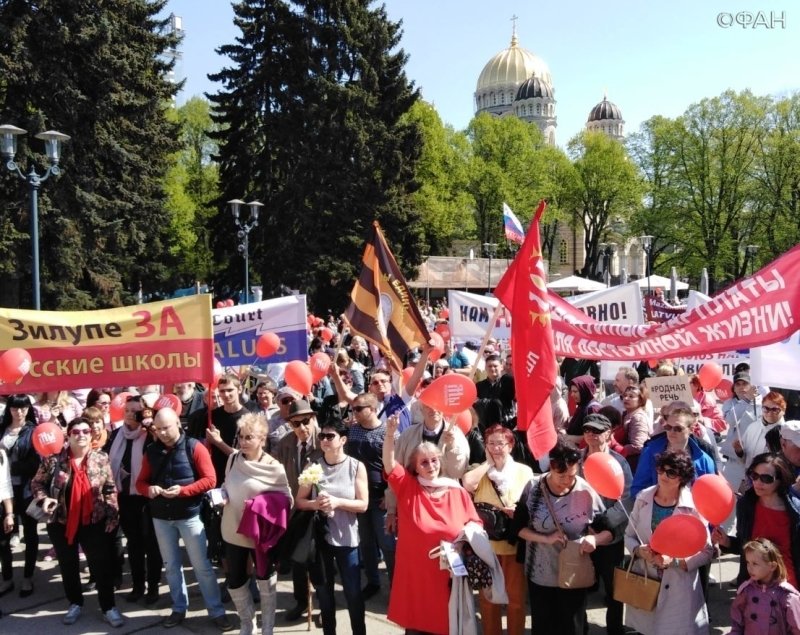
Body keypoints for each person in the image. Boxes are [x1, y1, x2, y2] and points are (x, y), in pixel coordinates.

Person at [382, 412, 481, 635]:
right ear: (415, 467)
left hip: (447, 575)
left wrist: (460, 543)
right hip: (416, 576)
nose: (430, 465)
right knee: (416, 627)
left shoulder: (457, 491)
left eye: (434, 460)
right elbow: (389, 463)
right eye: (424, 462)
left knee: (446, 625)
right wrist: (389, 434)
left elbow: (475, 525)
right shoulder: (408, 487)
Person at [135, 408, 232, 631]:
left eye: (166, 427)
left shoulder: (194, 446)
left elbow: (210, 479)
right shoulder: (151, 451)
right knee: (171, 566)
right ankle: (179, 608)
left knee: (202, 567)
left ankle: (216, 611)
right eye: (158, 429)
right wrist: (149, 490)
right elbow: (140, 483)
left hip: (189, 515)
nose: (162, 433)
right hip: (161, 517)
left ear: (178, 423)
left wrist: (184, 490)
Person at [30, 417, 123, 627]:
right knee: (68, 564)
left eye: (85, 431)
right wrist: (44, 499)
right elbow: (37, 483)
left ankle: (108, 606)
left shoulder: (101, 458)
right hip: (61, 521)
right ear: (68, 435)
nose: (81, 435)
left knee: (101, 566)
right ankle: (75, 603)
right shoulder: (53, 460)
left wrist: (113, 514)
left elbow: (109, 488)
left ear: (92, 434)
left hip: (94, 521)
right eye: (76, 432)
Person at [514, 440, 612, 635]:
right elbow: (517, 528)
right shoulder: (534, 488)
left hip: (575, 573)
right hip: (540, 574)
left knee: (572, 627)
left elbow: (608, 532)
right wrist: (546, 538)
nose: (567, 481)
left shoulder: (585, 490)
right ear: (551, 467)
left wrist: (595, 540)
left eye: (572, 475)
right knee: (543, 627)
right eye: (562, 475)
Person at [624, 449, 714, 634]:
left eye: (671, 472)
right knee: (647, 629)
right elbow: (628, 536)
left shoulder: (693, 506)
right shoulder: (643, 498)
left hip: (679, 587)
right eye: (660, 469)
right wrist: (639, 551)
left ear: (682, 477)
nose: (663, 475)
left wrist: (675, 561)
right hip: (646, 581)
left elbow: (707, 551)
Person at [221, 412, 292, 635]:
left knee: (264, 578)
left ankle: (268, 626)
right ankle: (246, 623)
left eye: (249, 437)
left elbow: (286, 498)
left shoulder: (274, 467)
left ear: (262, 439)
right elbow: (226, 484)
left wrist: (261, 505)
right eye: (241, 436)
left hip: (260, 534)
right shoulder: (233, 459)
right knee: (235, 579)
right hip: (233, 529)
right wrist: (222, 494)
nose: (243, 442)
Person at [296, 417, 368, 635]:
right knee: (324, 595)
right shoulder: (313, 466)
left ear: (343, 439)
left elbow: (363, 504)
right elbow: (299, 501)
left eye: (330, 436)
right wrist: (315, 504)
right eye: (322, 436)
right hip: (321, 540)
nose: (325, 440)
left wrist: (338, 502)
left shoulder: (356, 466)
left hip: (347, 538)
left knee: (353, 594)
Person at [462, 425, 533, 635]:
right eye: (490, 443)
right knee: (488, 599)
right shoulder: (481, 469)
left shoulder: (524, 471)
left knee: (516, 599)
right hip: (486, 546)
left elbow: (532, 503)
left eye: (500, 443)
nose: (495, 448)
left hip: (513, 543)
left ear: (510, 445)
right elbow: (467, 483)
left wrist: (517, 512)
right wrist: (488, 463)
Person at [712, 453, 800, 588]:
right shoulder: (746, 505)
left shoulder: (795, 510)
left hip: (789, 588)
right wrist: (727, 542)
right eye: (754, 476)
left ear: (780, 480)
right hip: (755, 590)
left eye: (766, 478)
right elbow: (745, 547)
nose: (758, 482)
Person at [579, 414, 632, 635]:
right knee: (579, 588)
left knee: (614, 591)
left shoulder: (619, 463)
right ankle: (580, 629)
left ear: (609, 434)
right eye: (588, 430)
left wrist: (607, 524)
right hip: (580, 534)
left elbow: (627, 499)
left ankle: (615, 629)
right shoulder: (576, 460)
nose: (592, 435)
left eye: (597, 431)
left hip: (611, 537)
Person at [108, 395, 162, 605]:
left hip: (147, 497)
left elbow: (163, 452)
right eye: (128, 410)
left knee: (151, 544)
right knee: (134, 544)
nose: (131, 414)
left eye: (136, 411)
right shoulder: (115, 435)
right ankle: (138, 585)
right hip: (124, 497)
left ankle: (154, 586)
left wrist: (152, 428)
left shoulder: (150, 435)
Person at [274, 399, 322, 622]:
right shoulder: (285, 444)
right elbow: (274, 471)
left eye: (305, 421)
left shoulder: (324, 440)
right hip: (296, 510)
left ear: (312, 419)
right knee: (298, 560)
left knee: (321, 561)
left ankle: (325, 604)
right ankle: (301, 601)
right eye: (296, 423)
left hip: (322, 511)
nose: (302, 428)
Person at [344, 391, 395, 599]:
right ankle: (373, 581)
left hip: (380, 498)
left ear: (373, 409)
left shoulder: (388, 433)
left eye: (358, 409)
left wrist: (389, 496)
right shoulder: (352, 432)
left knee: (387, 544)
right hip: (358, 498)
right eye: (353, 409)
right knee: (365, 542)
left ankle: (396, 586)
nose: (354, 413)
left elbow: (394, 467)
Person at [0, 394, 40, 597]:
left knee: (30, 534)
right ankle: (6, 578)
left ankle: (27, 577)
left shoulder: (33, 431)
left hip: (25, 490)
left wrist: (12, 465)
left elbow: (36, 463)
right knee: (4, 537)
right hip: (3, 491)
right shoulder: (2, 429)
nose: (19, 412)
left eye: (23, 408)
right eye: (15, 408)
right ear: (9, 409)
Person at [631, 404, 716, 499]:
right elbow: (638, 488)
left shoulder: (704, 461)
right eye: (668, 427)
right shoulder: (650, 451)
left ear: (691, 429)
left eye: (678, 428)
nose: (672, 431)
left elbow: (709, 496)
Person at [730, 538, 800, 635]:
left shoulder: (786, 596)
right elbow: (737, 622)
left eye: (755, 564)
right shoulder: (746, 591)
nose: (750, 568)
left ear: (772, 566)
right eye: (748, 562)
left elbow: (797, 629)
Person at [723, 392, 786, 492]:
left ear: (783, 411)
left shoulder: (785, 434)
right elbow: (744, 460)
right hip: (749, 479)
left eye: (775, 410)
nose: (769, 413)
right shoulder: (753, 426)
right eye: (766, 408)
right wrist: (739, 451)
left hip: (770, 485)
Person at [616, 385, 651, 472]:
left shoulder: (638, 418)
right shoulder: (627, 414)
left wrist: (616, 450)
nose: (626, 398)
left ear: (640, 400)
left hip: (634, 464)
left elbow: (638, 446)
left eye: (631, 396)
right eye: (624, 395)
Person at [563, 375, 601, 443]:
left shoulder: (592, 409)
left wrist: (567, 438)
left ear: (584, 391)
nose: (572, 395)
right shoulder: (582, 405)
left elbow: (591, 437)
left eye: (575, 392)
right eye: (571, 391)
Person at [0, 447, 14, 597]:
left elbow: (5, 484)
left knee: (3, 546)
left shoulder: (1, 453)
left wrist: (9, 513)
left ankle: (7, 579)